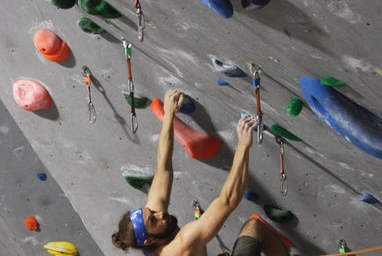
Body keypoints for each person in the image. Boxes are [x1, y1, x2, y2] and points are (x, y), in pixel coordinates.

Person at [112, 90, 289, 255]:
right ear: (149, 241)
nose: (159, 214)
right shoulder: (180, 246)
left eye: (151, 212)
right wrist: (243, 145)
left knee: (255, 227)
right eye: (153, 220)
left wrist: (169, 115)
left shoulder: (153, 224)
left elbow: (163, 167)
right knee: (252, 228)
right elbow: (227, 201)